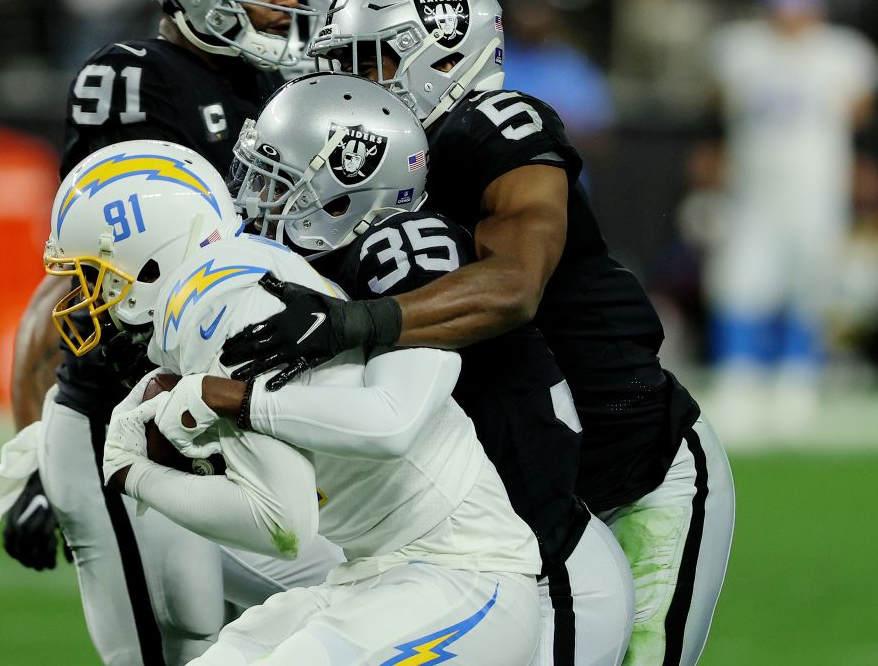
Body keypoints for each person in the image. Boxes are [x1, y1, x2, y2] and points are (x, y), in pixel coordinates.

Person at [223, 0, 735, 666]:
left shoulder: (495, 127)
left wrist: (350, 325)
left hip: (636, 468)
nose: (351, 80)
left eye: (368, 60)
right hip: (520, 495)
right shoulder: (379, 157)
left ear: (438, 51)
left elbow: (513, 286)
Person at [3, 0, 342, 664]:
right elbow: (86, 278)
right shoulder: (135, 79)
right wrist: (39, 456)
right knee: (173, 641)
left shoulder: (278, 82)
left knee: (342, 598)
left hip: (235, 416)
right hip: (140, 424)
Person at [231, 72, 634, 665]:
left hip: (539, 571)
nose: (255, 202)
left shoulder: (406, 250)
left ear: (344, 194)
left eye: (277, 184)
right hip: (418, 564)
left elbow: (393, 420)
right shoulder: (340, 260)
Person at [101, 232, 543, 666]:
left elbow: (387, 428)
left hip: (469, 571)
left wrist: (237, 400)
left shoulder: (397, 271)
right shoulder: (259, 305)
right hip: (368, 577)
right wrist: (135, 468)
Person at [706, 0, 878, 435]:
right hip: (752, 188)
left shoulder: (843, 52)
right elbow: (721, 105)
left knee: (811, 282)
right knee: (740, 280)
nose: (789, 17)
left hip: (816, 188)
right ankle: (739, 379)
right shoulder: (740, 48)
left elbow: (861, 113)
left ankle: (797, 379)